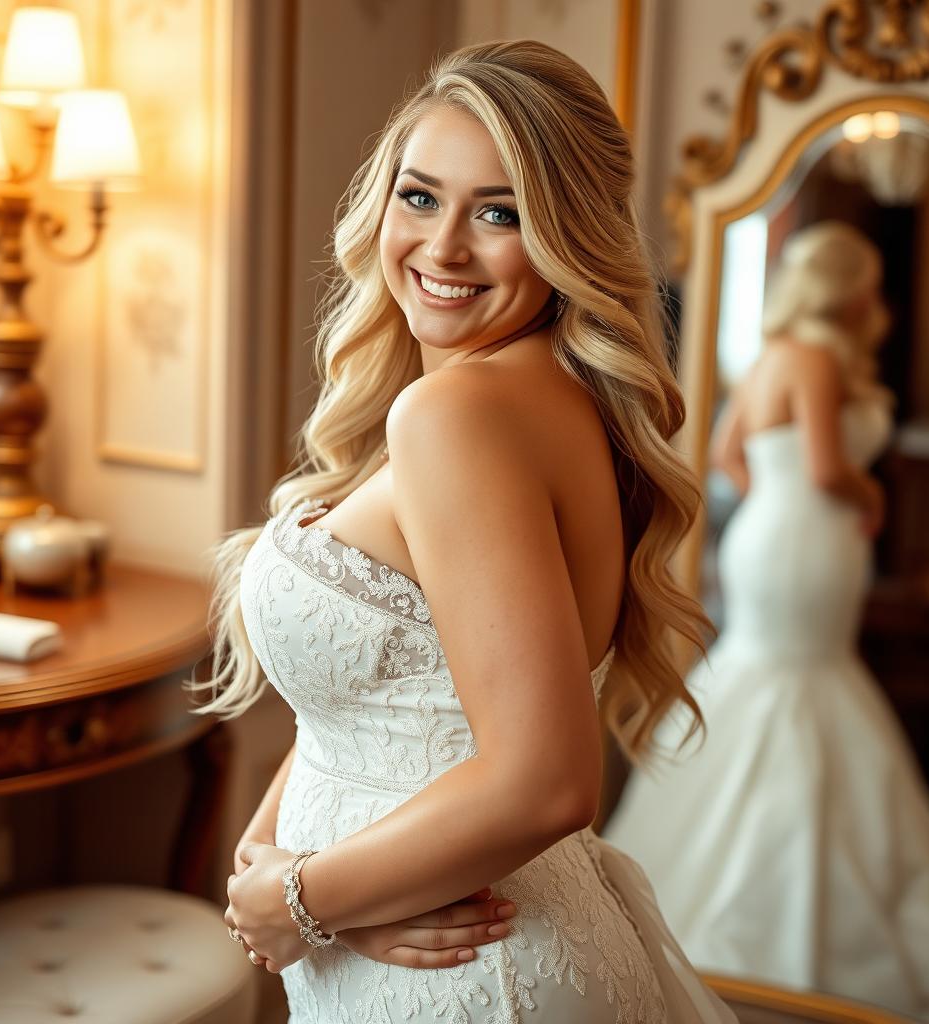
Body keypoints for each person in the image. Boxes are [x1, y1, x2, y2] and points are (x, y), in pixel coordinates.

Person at [190, 40, 737, 1024]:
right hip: (438, 937)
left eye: (499, 213)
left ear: (567, 236)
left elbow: (545, 781)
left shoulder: (460, 416)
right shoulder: (537, 397)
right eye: (419, 196)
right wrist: (284, 867)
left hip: (474, 977)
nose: (442, 248)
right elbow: (371, 705)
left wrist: (302, 898)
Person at [604, 221, 929, 1021]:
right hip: (812, 536)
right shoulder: (820, 359)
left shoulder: (771, 355)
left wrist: (777, 495)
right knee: (799, 679)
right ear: (854, 292)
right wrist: (871, 495)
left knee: (769, 672)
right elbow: (830, 468)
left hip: (770, 534)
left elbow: (727, 453)